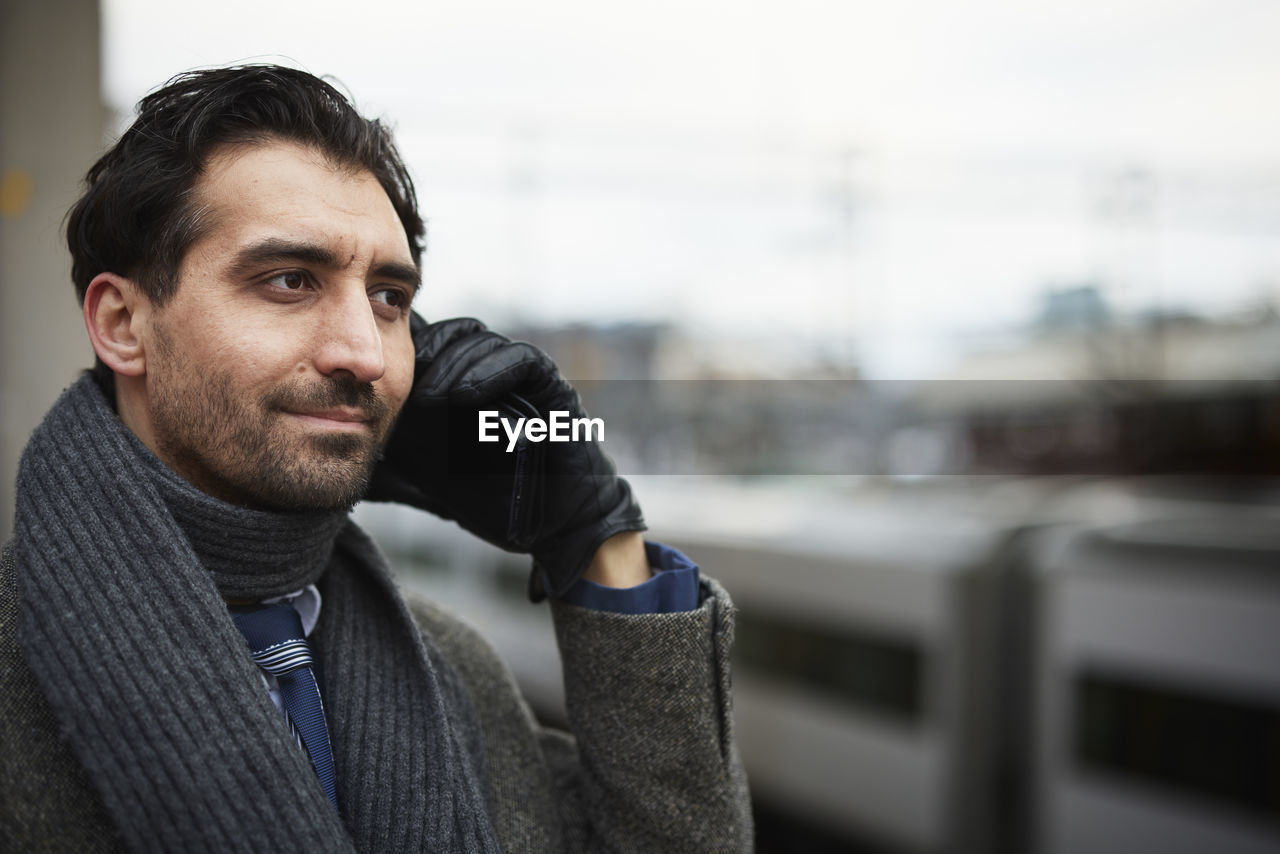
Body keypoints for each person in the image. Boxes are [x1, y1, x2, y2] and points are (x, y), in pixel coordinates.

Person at [0, 65, 751, 853]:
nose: (365, 352)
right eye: (290, 280)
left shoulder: (454, 670)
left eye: (389, 298)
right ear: (123, 323)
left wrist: (597, 538)